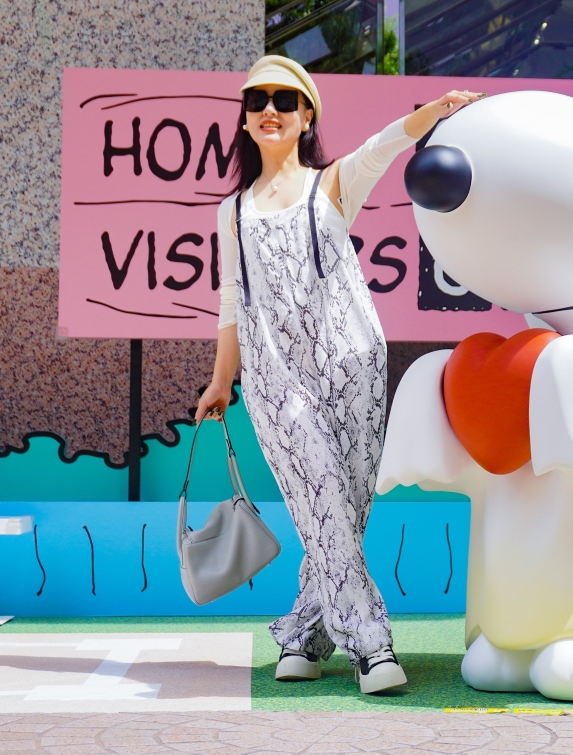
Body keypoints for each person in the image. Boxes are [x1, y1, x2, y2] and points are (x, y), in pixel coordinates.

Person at [194, 55, 481, 695]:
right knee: (321, 497)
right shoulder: (232, 211)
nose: (270, 110)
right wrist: (221, 379)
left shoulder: (333, 184)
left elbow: (384, 145)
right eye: (258, 100)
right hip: (275, 379)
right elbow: (232, 300)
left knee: (341, 512)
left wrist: (435, 113)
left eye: (285, 100)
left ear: (307, 116)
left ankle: (304, 634)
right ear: (245, 118)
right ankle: (372, 646)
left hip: (353, 367)